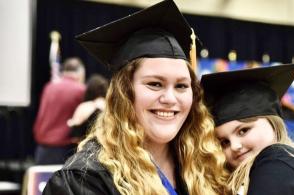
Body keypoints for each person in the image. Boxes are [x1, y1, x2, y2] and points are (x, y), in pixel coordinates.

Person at [43, 1, 227, 195]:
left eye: (181, 86)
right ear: (124, 92)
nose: (170, 98)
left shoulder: (202, 164)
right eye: (155, 84)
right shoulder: (84, 180)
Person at [201, 64, 294, 195]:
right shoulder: (287, 163)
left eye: (243, 130)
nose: (235, 146)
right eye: (225, 142)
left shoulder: (276, 164)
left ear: (272, 122)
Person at [33, 57, 86, 165]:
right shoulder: (80, 90)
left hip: (42, 149)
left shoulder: (49, 87)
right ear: (80, 73)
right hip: (63, 149)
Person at [67, 74, 108, 143]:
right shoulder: (109, 106)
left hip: (84, 146)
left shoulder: (83, 107)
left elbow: (75, 134)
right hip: (105, 147)